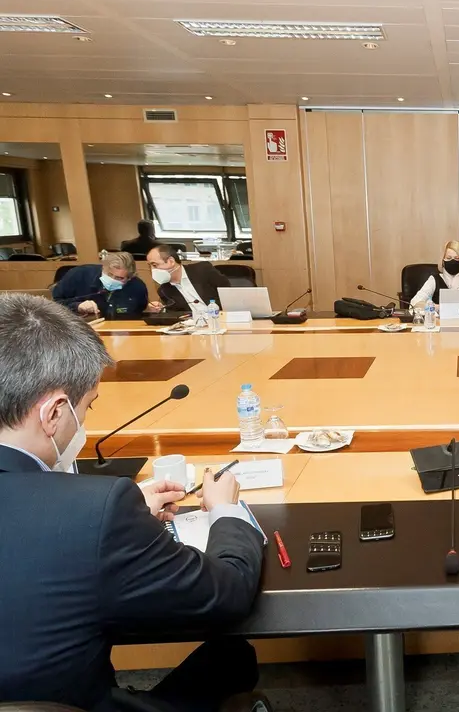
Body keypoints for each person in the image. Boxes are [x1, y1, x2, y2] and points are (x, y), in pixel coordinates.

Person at [0, 294, 264, 712]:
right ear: (52, 413)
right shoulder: (95, 511)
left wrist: (106, 512)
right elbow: (226, 596)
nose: (84, 422)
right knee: (232, 655)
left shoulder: (91, 510)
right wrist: (225, 510)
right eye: (86, 407)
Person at [51, 251, 149, 318]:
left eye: (120, 278)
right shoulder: (78, 275)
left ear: (130, 278)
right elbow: (52, 305)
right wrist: (77, 306)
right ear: (103, 268)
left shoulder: (138, 287)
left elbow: (140, 313)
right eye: (109, 274)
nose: (112, 280)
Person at [145, 244, 230, 316]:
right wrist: (161, 309)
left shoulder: (203, 270)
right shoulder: (164, 290)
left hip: (221, 319)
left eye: (155, 265)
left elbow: (228, 292)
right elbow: (177, 315)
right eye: (150, 266)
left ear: (171, 261)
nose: (152, 270)